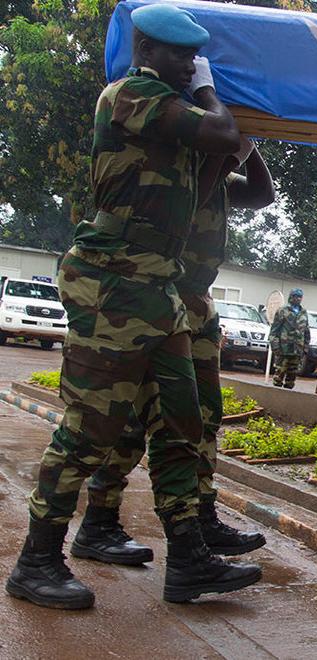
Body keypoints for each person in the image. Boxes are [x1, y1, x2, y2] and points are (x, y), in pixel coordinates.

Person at [5, 3, 260, 610]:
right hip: (113, 283)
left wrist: (236, 144)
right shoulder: (131, 96)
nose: (191, 64)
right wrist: (213, 95)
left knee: (181, 423)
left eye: (195, 56)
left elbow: (209, 181)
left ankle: (189, 559)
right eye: (180, 54)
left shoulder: (174, 127)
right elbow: (223, 132)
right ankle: (36, 561)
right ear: (146, 51)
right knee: (91, 428)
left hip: (160, 288)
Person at [72, 139, 275, 566]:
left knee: (203, 416)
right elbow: (191, 198)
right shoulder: (180, 170)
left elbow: (261, 194)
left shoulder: (219, 173)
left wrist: (251, 139)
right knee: (137, 420)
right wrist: (229, 149)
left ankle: (201, 517)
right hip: (158, 298)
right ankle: (99, 521)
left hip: (197, 303)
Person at [269, 288, 310, 389]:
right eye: (295, 296)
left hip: (297, 349)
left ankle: (288, 394)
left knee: (292, 376)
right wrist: (275, 347)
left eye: (300, 297)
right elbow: (274, 331)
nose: (298, 299)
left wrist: (305, 348)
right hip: (284, 348)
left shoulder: (303, 312)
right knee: (279, 374)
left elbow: (306, 331)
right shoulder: (282, 310)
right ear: (291, 297)